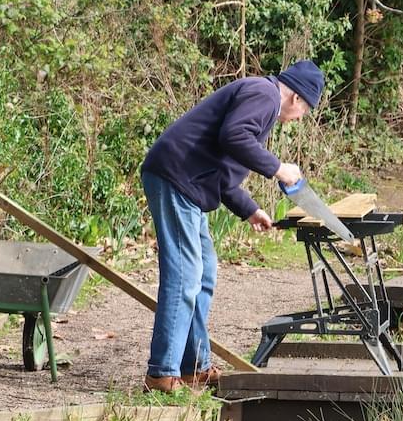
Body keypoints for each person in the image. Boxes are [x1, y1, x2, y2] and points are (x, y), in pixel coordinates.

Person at [139, 59, 325, 393]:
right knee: (185, 275)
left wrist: (249, 209)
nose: (299, 120)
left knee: (204, 272)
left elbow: (224, 172)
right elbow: (234, 137)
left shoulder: (261, 102)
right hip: (175, 177)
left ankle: (194, 366)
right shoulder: (265, 94)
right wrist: (278, 168)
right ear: (297, 98)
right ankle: (161, 373)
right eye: (305, 111)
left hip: (189, 184)